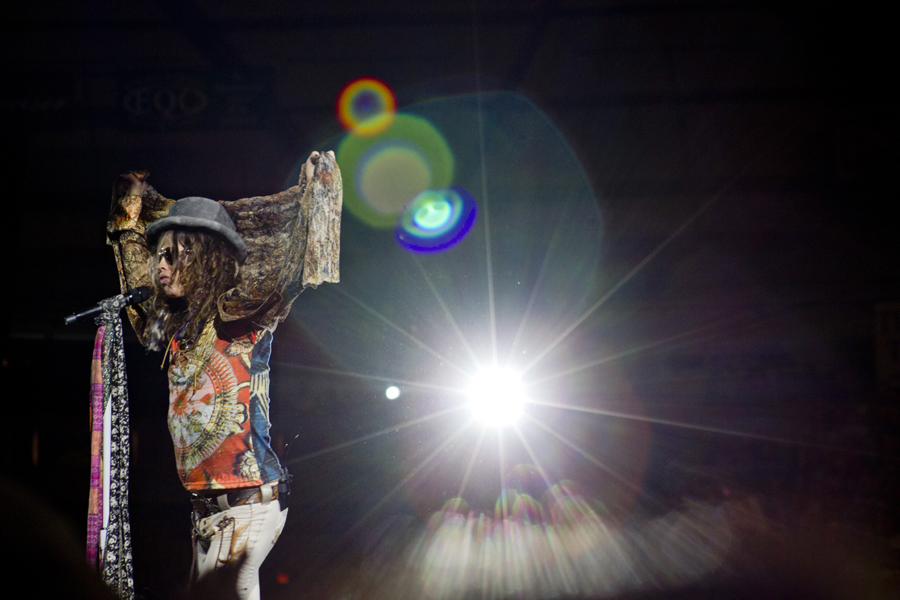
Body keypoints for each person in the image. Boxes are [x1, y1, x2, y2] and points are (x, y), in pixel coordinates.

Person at [106, 152, 341, 600]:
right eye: (160, 256)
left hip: (247, 505)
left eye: (173, 255)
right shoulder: (177, 327)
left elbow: (287, 275)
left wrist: (314, 199)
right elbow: (138, 283)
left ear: (204, 258)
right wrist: (129, 213)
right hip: (207, 513)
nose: (160, 266)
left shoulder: (241, 316)